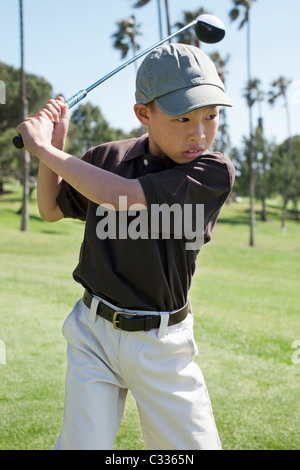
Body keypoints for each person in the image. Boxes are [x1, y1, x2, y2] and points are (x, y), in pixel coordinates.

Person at [17, 43, 235, 450]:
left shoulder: (211, 170)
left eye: (211, 116)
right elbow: (49, 209)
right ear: (143, 113)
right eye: (183, 118)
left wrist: (44, 149)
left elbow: (121, 194)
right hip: (93, 332)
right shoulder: (107, 158)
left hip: (162, 344)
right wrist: (55, 149)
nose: (200, 133)